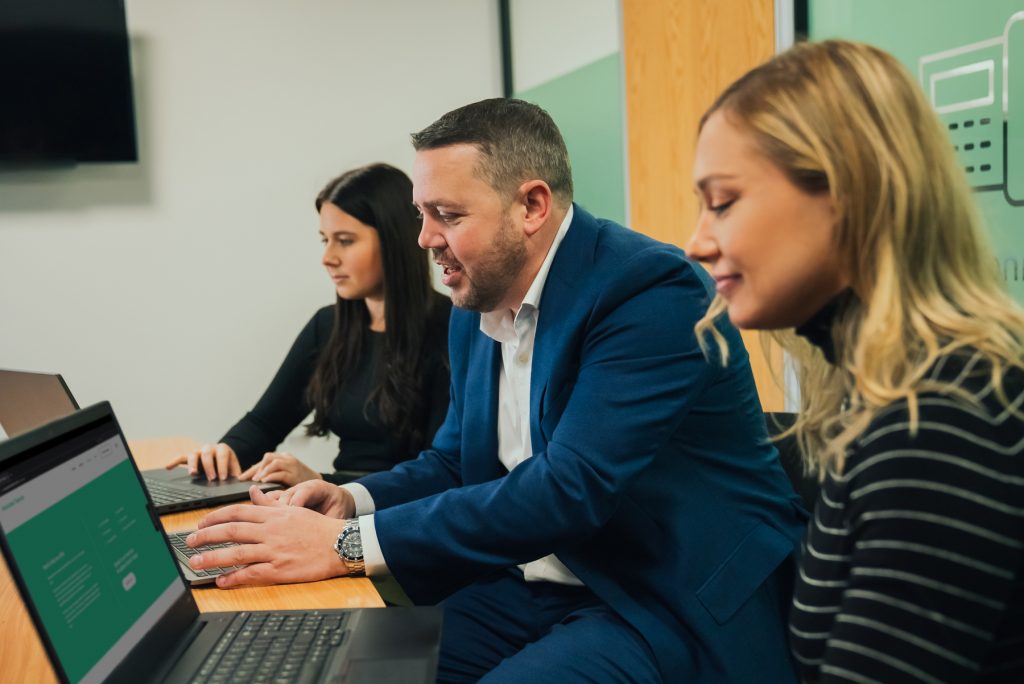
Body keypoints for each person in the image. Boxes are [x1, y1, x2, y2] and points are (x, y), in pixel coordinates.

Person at [185, 98, 807, 682]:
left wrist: (345, 547)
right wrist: (351, 502)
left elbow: (570, 488)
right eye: (422, 215)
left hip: (654, 593)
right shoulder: (475, 299)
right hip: (531, 584)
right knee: (351, 665)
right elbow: (455, 462)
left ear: (531, 206)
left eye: (447, 216)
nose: (426, 239)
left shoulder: (648, 290)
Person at [686, 40, 1024, 683]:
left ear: (846, 190)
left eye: (723, 201)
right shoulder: (902, 390)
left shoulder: (940, 418)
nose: (697, 241)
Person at [166, 163, 451, 487]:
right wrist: (223, 453)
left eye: (344, 241)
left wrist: (322, 482)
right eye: (324, 240)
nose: (327, 257)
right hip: (335, 503)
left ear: (394, 240)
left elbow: (440, 474)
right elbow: (265, 424)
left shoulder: (451, 329)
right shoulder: (327, 326)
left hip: (398, 515)